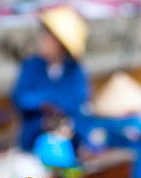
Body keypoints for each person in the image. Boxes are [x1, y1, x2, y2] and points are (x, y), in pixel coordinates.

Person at [11, 6, 90, 153]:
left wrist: (53, 103)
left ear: (61, 44)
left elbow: (77, 101)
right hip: (33, 139)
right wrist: (45, 103)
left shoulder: (74, 70)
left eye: (50, 37)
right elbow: (20, 98)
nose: (44, 40)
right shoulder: (31, 66)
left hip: (68, 141)